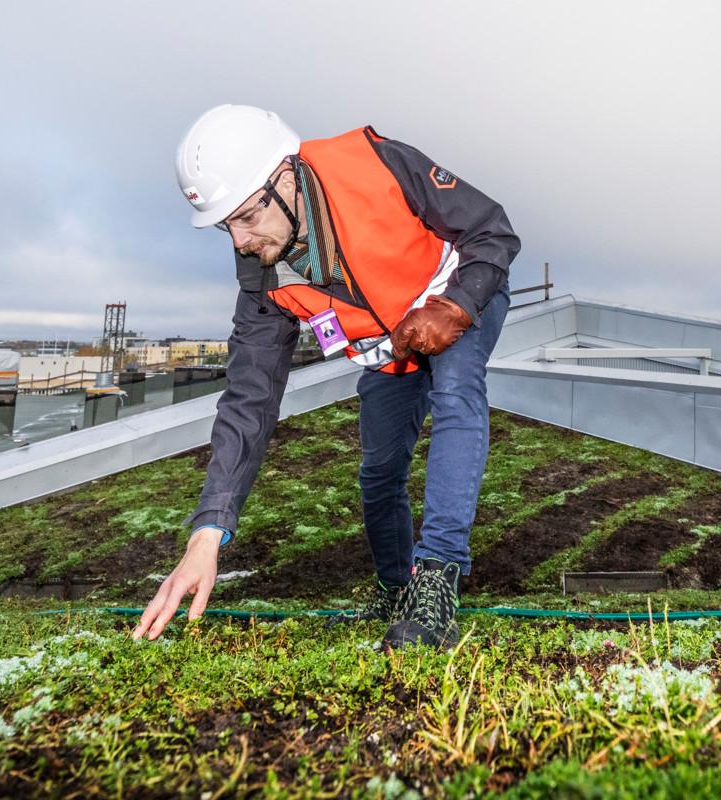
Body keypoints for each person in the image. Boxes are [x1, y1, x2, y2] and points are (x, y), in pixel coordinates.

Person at [133, 105, 520, 649]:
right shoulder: (262, 280)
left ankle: (436, 579)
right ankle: (395, 588)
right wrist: (206, 537)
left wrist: (455, 305)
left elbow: (491, 230)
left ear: (286, 177)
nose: (241, 241)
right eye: (227, 225)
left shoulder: (379, 165)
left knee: (456, 394)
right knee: (379, 470)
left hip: (456, 296)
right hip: (391, 346)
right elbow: (248, 402)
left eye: (247, 216)